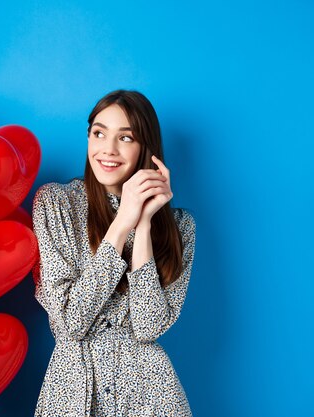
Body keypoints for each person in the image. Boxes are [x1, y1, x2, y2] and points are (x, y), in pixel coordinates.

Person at [32, 89, 196, 416]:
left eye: (125, 138)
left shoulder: (180, 227)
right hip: (72, 393)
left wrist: (145, 224)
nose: (108, 149)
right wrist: (122, 224)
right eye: (98, 133)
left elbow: (148, 328)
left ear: (144, 149)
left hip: (150, 397)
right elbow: (69, 323)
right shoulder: (55, 204)